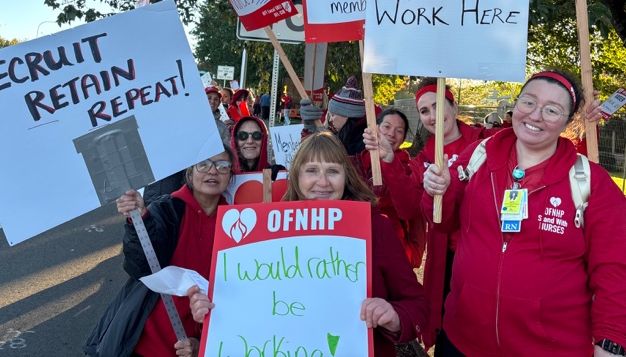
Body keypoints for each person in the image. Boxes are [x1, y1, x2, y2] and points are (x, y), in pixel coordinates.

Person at [422, 70, 626, 356]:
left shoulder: (592, 183)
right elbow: (441, 221)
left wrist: (610, 343)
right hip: (462, 341)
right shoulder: (478, 156)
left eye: (552, 110)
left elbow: (615, 272)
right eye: (528, 102)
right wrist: (437, 191)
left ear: (568, 122)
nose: (535, 115)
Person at [188, 131, 429, 357]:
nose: (322, 182)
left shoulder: (376, 228)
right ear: (297, 176)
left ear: (346, 177)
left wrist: (394, 317)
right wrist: (211, 311)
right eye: (312, 170)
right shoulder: (266, 233)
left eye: (333, 171)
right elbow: (247, 308)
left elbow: (418, 305)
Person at [362, 79, 484, 352]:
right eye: (424, 111)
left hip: (484, 252)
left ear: (454, 107)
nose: (432, 116)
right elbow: (408, 209)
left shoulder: (485, 142)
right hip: (447, 259)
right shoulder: (422, 161)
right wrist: (391, 162)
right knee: (449, 326)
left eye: (436, 106)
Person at [84, 149, 234, 357]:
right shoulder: (166, 209)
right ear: (190, 174)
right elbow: (140, 267)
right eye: (203, 164)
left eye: (223, 166)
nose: (213, 171)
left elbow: (233, 295)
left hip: (189, 348)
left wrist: (202, 342)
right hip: (143, 343)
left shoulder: (236, 221)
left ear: (230, 176)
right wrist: (138, 219)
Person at [357, 109, 427, 267]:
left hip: (393, 252)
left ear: (403, 139)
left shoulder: (410, 170)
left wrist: (390, 162)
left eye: (399, 131)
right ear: (375, 128)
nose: (391, 134)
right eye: (386, 127)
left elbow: (409, 210)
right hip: (357, 248)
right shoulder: (355, 164)